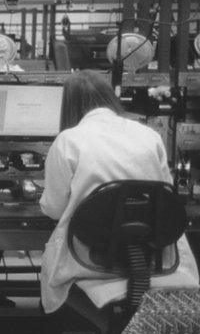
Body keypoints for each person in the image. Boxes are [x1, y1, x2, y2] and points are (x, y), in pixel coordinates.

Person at [39, 70, 200, 313]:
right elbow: (166, 196)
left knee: (53, 270)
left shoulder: (68, 140)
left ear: (69, 105)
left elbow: (54, 208)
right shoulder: (149, 135)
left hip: (91, 262)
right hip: (152, 256)